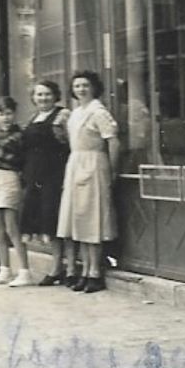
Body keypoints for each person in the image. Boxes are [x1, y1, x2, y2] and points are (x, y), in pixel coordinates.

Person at [57, 71, 122, 293]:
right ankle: (85, 270)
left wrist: (112, 171)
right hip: (76, 163)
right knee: (79, 218)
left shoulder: (98, 112)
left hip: (94, 164)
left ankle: (96, 272)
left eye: (85, 85)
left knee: (93, 218)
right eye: (77, 86)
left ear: (94, 88)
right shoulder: (76, 113)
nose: (81, 90)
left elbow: (113, 142)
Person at [18, 79, 75, 285]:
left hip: (56, 173)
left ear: (55, 95)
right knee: (48, 221)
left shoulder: (63, 115)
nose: (43, 98)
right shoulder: (33, 118)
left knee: (61, 220)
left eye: (47, 94)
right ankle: (56, 266)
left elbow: (72, 144)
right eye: (39, 95)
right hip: (35, 174)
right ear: (33, 98)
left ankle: (70, 269)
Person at [0, 96, 31, 286]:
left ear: (14, 114)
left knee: (12, 227)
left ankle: (24, 271)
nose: (5, 117)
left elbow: (22, 160)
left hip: (9, 177)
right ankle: (5, 270)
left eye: (9, 113)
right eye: (1, 114)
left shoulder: (19, 135)